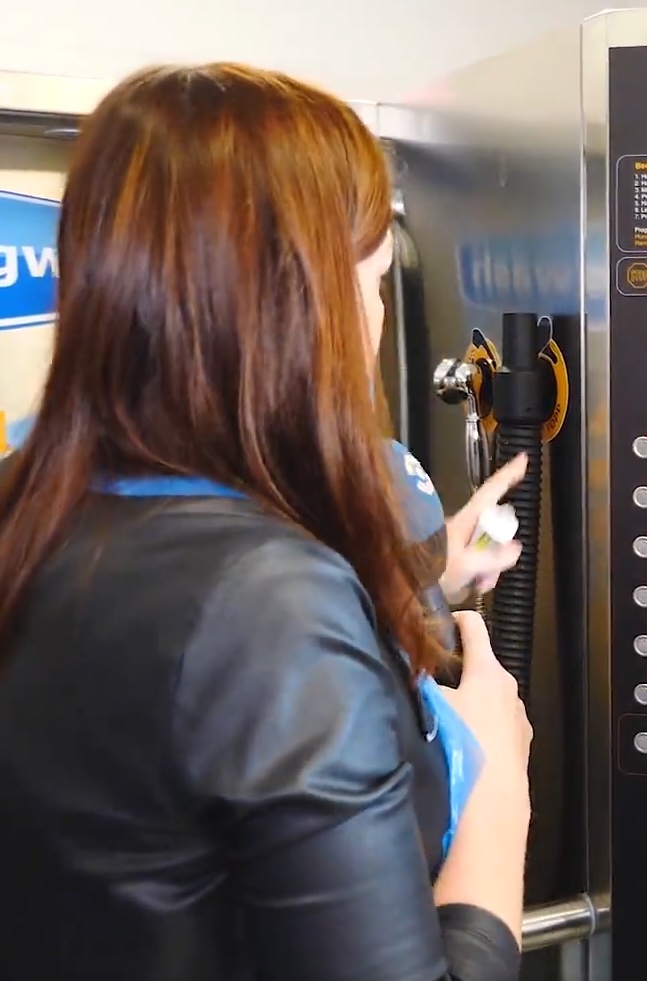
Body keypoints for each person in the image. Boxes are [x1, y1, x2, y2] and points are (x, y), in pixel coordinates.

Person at [0, 64, 533, 981]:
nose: (374, 318)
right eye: (372, 283)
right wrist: (497, 788)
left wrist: (435, 566)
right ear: (304, 307)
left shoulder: (30, 504)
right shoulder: (269, 604)